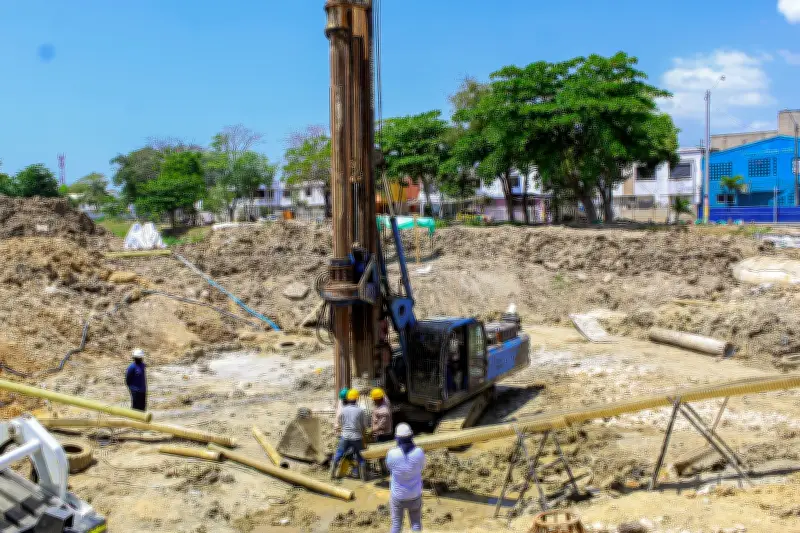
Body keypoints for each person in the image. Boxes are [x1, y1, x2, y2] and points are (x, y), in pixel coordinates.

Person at [386, 423, 426, 533]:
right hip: (415, 495)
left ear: (397, 438)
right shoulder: (419, 452)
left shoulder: (392, 453)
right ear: (411, 436)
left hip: (398, 496)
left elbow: (389, 468)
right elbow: (422, 467)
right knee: (416, 524)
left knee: (396, 525)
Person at [330, 389, 369, 481]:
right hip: (357, 437)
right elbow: (365, 425)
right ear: (357, 399)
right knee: (361, 456)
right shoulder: (360, 411)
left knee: (339, 454)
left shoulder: (343, 410)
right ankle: (363, 478)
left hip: (345, 436)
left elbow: (340, 422)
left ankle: (332, 474)